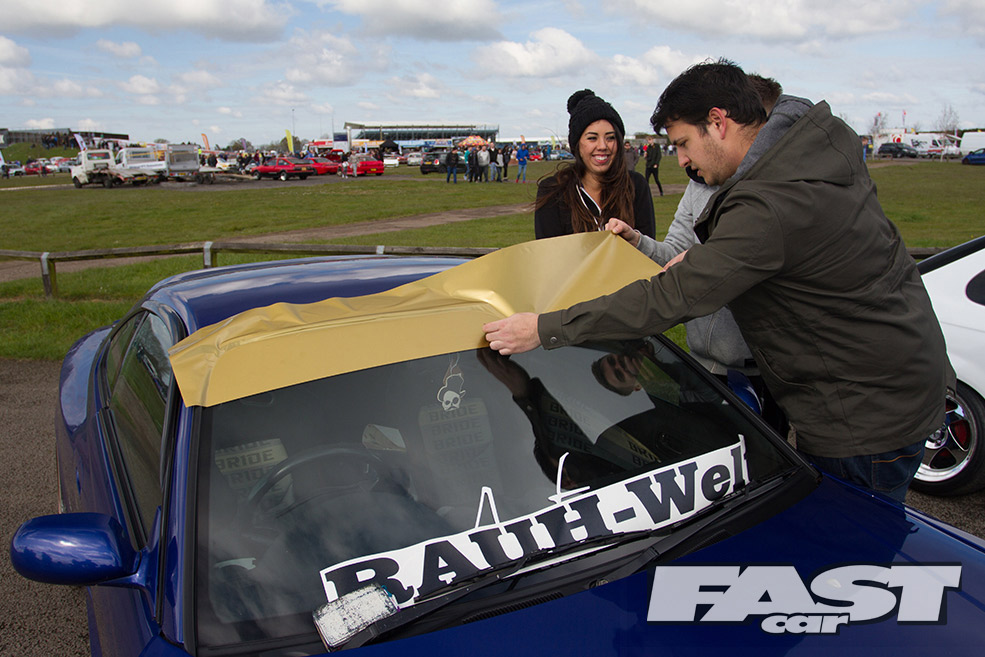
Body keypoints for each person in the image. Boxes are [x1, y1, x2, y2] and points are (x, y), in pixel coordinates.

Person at [484, 59, 954, 503]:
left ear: (718, 122)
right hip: (898, 385)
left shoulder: (768, 204)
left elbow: (674, 295)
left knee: (848, 542)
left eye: (684, 143)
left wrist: (544, 328)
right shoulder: (805, 159)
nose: (682, 161)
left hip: (863, 417)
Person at [606, 73, 787, 436]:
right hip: (703, 368)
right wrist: (638, 242)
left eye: (684, 144)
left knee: (767, 457)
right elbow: (675, 251)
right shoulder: (699, 184)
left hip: (766, 372)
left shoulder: (774, 192)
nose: (683, 161)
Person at [534, 89, 656, 241]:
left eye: (610, 138)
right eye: (592, 138)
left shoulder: (635, 185)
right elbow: (548, 251)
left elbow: (648, 248)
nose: (603, 146)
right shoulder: (553, 190)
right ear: (577, 144)